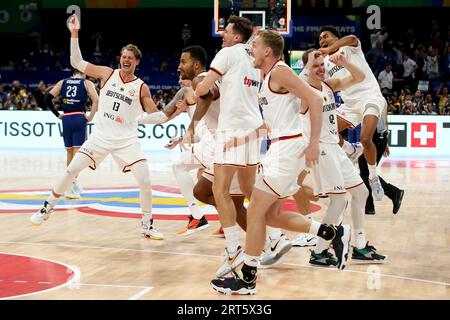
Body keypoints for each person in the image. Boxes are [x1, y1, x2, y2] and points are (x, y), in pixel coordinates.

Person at [210, 30, 351, 295]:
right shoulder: (266, 78)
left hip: (288, 150)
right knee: (272, 215)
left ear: (267, 51)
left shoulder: (279, 71)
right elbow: (271, 123)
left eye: (255, 45)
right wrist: (241, 141)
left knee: (255, 212)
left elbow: (316, 99)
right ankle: (332, 233)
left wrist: (312, 145)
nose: (250, 48)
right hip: (281, 147)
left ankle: (248, 278)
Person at [30, 15, 181, 240]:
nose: (126, 60)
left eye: (130, 58)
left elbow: (157, 117)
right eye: (124, 56)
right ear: (120, 58)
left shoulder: (142, 88)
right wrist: (74, 33)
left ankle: (147, 224)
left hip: (127, 141)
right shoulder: (106, 73)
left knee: (145, 181)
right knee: (71, 170)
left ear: (137, 61)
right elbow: (76, 62)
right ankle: (46, 208)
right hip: (99, 137)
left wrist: (175, 110)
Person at [189, 16, 291, 277]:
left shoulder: (227, 53)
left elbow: (203, 88)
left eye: (227, 31)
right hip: (253, 129)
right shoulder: (254, 58)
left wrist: (196, 86)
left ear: (237, 36)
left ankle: (233, 248)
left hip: (232, 130)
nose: (222, 34)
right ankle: (275, 237)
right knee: (248, 190)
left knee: (219, 189)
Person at [301, 49, 387, 267]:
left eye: (322, 64)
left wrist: (345, 62)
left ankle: (359, 245)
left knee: (361, 192)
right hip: (319, 148)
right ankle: (319, 251)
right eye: (315, 65)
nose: (320, 68)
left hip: (334, 147)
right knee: (339, 200)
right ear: (306, 68)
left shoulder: (328, 85)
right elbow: (299, 80)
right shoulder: (302, 89)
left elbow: (359, 77)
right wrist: (308, 63)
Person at [318, 26, 386, 202]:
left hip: (370, 97)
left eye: (325, 36)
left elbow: (352, 37)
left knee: (365, 138)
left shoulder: (350, 47)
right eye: (320, 39)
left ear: (335, 37)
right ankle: (351, 149)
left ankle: (373, 177)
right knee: (324, 130)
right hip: (349, 105)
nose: (322, 40)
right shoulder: (324, 62)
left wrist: (330, 49)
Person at [44, 69, 98, 198]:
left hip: (66, 119)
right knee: (78, 154)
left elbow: (47, 98)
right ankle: (71, 184)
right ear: (83, 73)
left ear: (73, 74)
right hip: (79, 118)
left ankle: (70, 183)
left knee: (69, 152)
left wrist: (57, 114)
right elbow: (96, 100)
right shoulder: (87, 83)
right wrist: (90, 116)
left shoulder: (63, 82)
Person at [358, 103, 405, 215]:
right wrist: (385, 143)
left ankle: (394, 192)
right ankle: (369, 206)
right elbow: (385, 120)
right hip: (379, 138)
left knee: (365, 172)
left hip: (373, 139)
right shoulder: (380, 99)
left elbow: (375, 123)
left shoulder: (370, 100)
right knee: (365, 171)